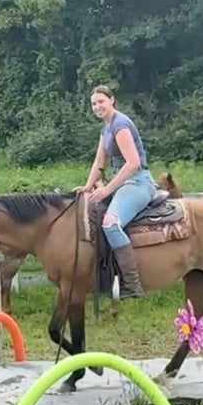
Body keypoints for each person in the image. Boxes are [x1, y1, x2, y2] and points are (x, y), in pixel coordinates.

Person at [74, 85, 157, 298]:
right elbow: (99, 162)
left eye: (101, 101)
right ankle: (103, 275)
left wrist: (107, 189)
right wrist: (87, 186)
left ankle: (132, 285)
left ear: (112, 100)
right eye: (93, 103)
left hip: (138, 182)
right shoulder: (106, 127)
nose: (97, 106)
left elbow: (133, 163)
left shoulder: (120, 125)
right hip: (122, 182)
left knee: (110, 223)